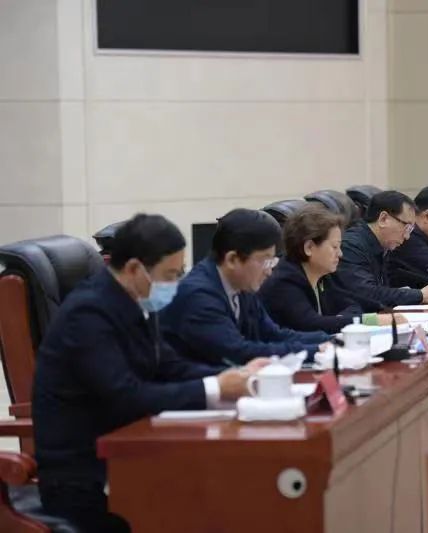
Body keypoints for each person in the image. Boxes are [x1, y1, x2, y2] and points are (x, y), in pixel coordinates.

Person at [32, 214, 267, 533]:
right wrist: (215, 387)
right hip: (85, 477)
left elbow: (169, 366)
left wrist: (238, 377)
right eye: (170, 275)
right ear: (134, 269)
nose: (175, 284)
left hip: (134, 451)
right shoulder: (88, 314)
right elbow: (126, 395)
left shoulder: (138, 301)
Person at [162, 208, 330, 366]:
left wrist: (330, 341)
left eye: (272, 261)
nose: (269, 271)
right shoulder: (199, 295)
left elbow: (273, 335)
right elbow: (238, 352)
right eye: (265, 260)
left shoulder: (242, 285)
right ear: (232, 259)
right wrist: (315, 351)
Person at [259, 204, 402, 334]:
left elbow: (352, 303)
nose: (340, 254)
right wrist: (370, 321)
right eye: (334, 247)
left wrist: (341, 319)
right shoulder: (284, 281)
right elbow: (311, 324)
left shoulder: (322, 276)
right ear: (309, 247)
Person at [333, 190, 428, 309]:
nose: (407, 236)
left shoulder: (383, 245)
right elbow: (366, 294)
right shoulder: (351, 246)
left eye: (411, 230)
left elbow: (381, 289)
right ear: (383, 219)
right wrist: (419, 295)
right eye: (407, 227)